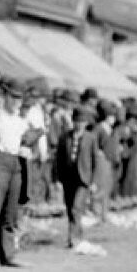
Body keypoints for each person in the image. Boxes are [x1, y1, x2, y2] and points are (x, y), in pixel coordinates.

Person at [0, 77, 37, 269]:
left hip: (15, 165)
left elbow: (23, 143)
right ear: (4, 96)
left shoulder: (21, 122)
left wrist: (25, 151)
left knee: (11, 213)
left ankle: (8, 254)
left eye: (19, 99)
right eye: (13, 97)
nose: (16, 102)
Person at [56, 105, 105, 255]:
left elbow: (95, 160)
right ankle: (77, 234)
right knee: (70, 208)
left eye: (82, 122)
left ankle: (74, 238)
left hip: (83, 178)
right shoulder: (65, 137)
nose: (79, 124)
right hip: (68, 177)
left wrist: (94, 181)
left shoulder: (91, 138)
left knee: (77, 207)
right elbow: (59, 160)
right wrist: (58, 179)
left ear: (86, 123)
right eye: (77, 121)